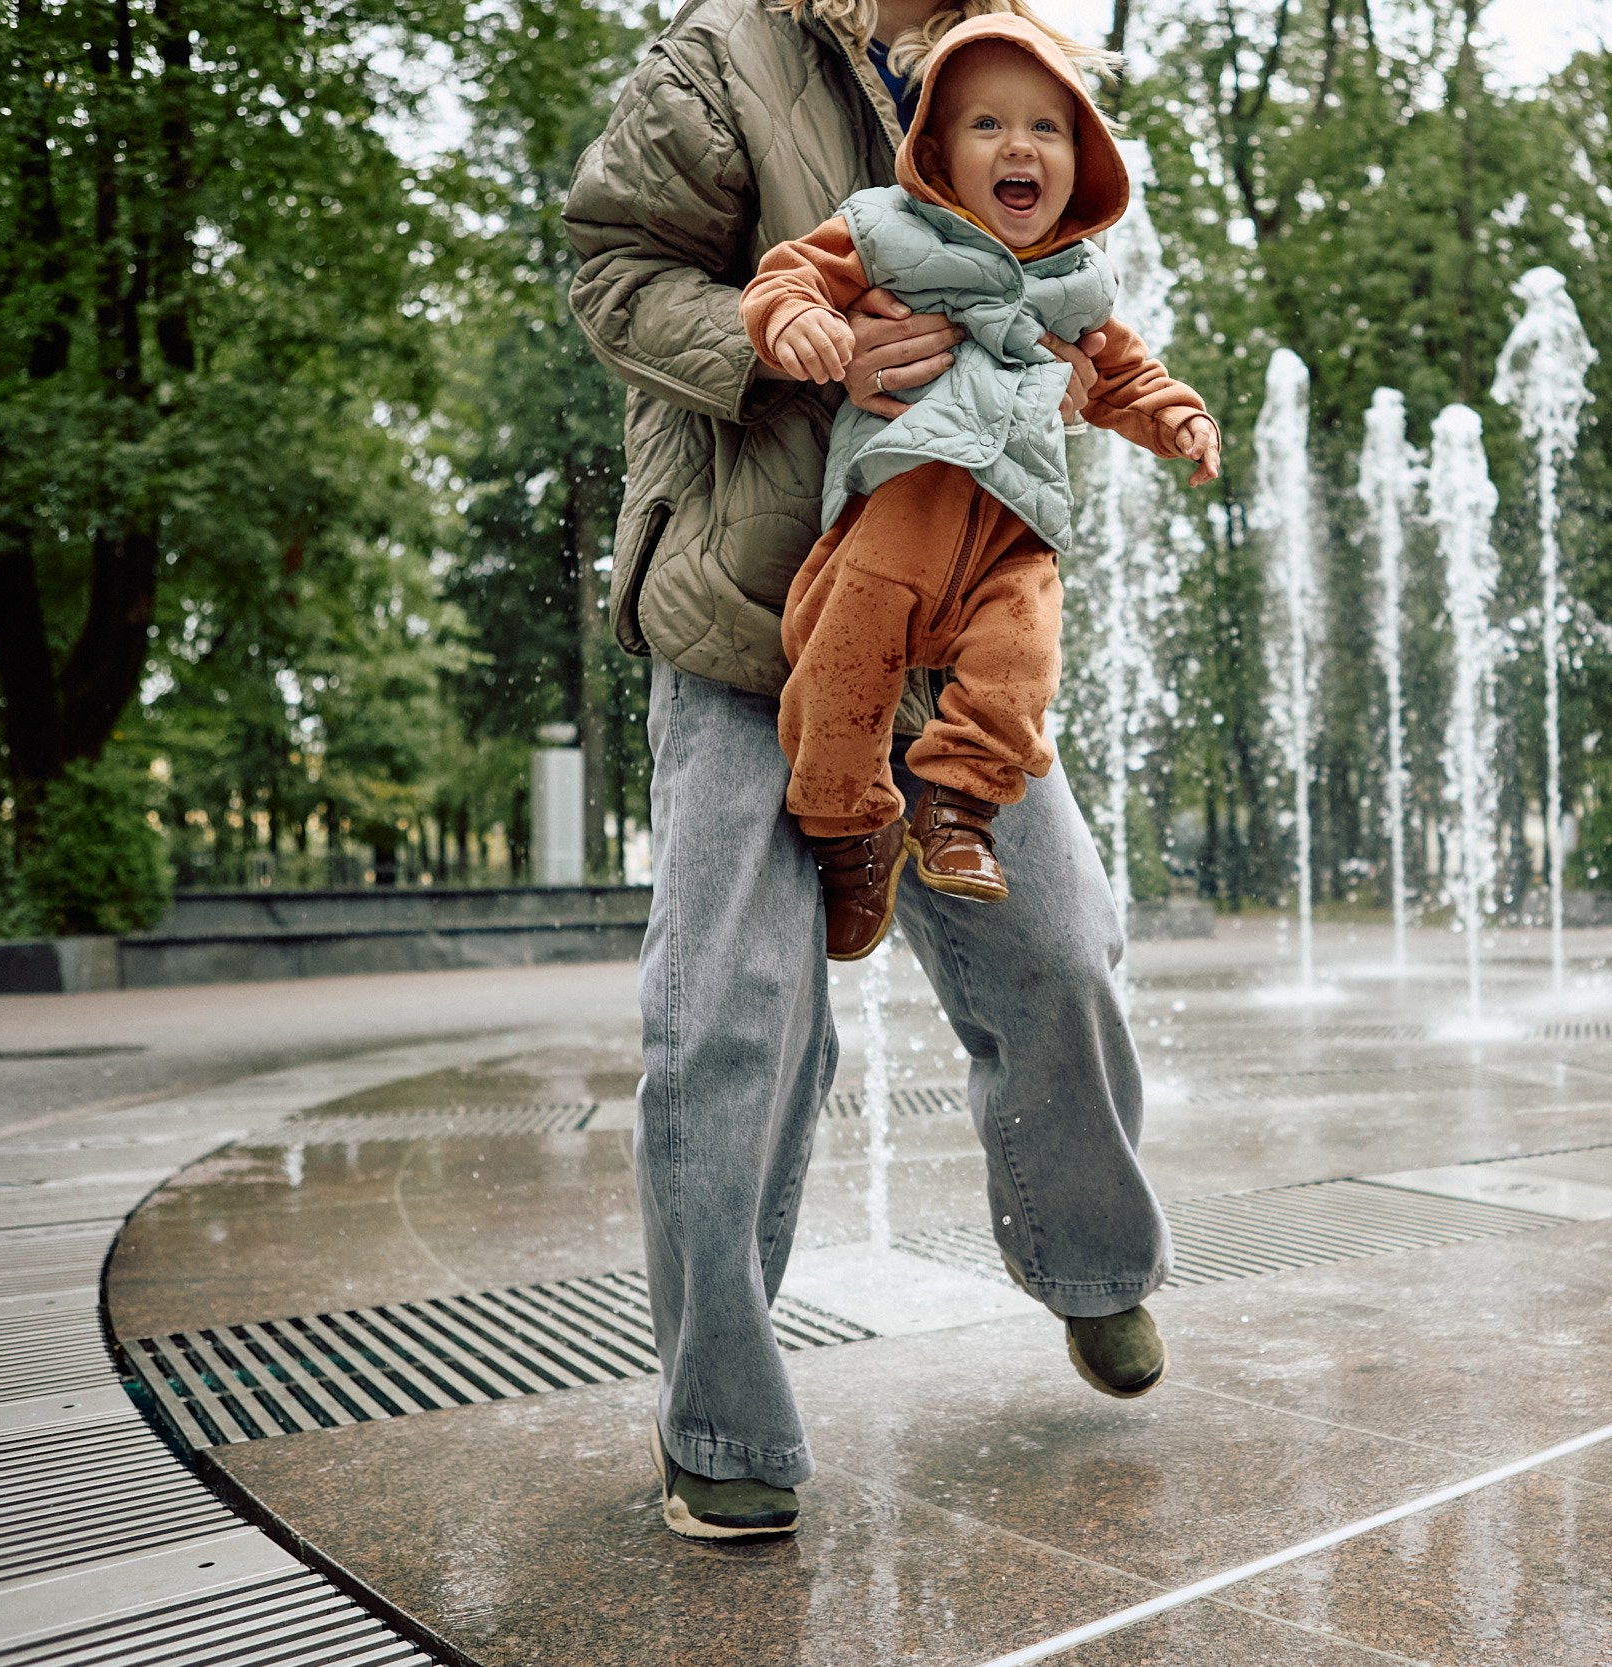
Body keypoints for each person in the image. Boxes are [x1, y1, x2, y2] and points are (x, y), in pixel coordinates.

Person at [565, 0, 1173, 1545]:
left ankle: (1091, 1268)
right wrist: (808, 349)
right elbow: (614, 275)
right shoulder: (723, 59)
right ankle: (721, 1418)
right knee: (731, 1017)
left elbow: (1068, 314)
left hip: (944, 626)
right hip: (747, 614)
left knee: (1062, 950)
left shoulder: (1019, 70)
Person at [742, 16, 1219, 950]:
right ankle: (851, 835)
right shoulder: (887, 227)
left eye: (1048, 130)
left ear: (1082, 164)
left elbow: (1126, 373)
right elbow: (791, 275)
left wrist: (1179, 418)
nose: (1020, 146)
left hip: (1013, 534)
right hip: (898, 520)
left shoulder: (1079, 281)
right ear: (936, 151)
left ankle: (960, 811)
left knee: (1024, 664)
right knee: (838, 672)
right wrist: (793, 320)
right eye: (988, 125)